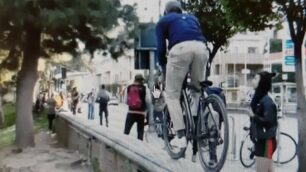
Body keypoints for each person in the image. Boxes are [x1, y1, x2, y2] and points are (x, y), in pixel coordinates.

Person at [156, 1, 208, 149]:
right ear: (180, 10)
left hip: (180, 51)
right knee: (197, 90)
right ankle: (198, 125)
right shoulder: (192, 18)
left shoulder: (163, 21)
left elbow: (160, 49)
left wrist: (164, 66)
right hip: (201, 48)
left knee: (172, 95)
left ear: (166, 12)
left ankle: (181, 136)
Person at [250, 71, 277, 172]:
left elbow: (269, 122)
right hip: (262, 140)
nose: (253, 80)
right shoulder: (259, 98)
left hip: (266, 141)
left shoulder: (267, 101)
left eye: (256, 78)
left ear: (262, 83)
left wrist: (253, 116)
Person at [123, 74, 151, 141]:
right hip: (141, 113)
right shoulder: (145, 88)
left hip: (131, 112)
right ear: (142, 80)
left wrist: (132, 104)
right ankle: (139, 148)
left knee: (126, 132)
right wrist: (146, 109)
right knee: (140, 134)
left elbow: (125, 101)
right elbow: (148, 101)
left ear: (134, 79)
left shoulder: (129, 87)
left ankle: (124, 148)